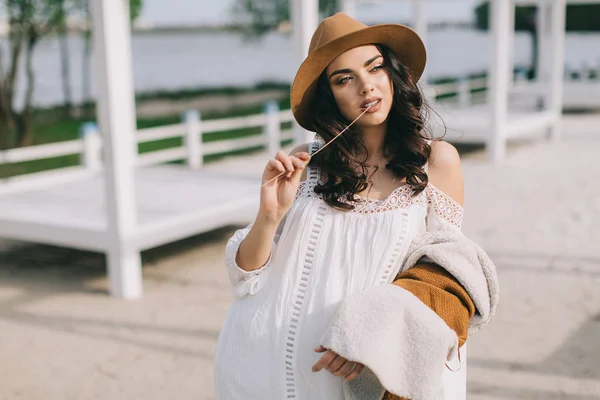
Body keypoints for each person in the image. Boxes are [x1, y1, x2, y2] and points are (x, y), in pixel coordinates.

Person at [214, 12, 496, 400]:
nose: (366, 86)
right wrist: (269, 215)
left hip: (372, 365)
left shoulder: (437, 161)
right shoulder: (305, 163)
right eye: (344, 79)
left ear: (392, 74)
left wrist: (370, 335)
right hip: (271, 362)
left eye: (374, 68)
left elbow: (446, 268)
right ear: (330, 97)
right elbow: (246, 278)